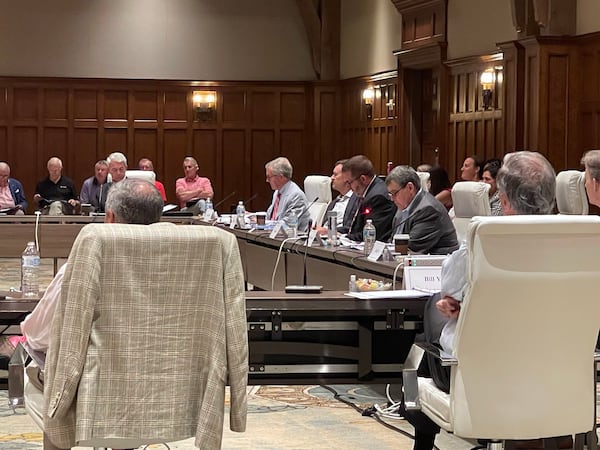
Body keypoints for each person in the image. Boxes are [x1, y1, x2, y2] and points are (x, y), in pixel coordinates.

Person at [404, 151, 557, 450]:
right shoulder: (585, 237)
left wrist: (466, 306)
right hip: (558, 369)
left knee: (430, 316)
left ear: (504, 197)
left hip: (479, 372)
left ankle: (419, 431)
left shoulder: (484, 235)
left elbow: (449, 283)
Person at [386, 165, 458, 255]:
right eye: (390, 194)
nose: (392, 199)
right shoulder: (403, 206)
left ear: (410, 188)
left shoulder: (428, 209)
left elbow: (410, 247)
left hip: (435, 265)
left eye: (394, 193)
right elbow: (393, 241)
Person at [342, 155, 396, 242]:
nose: (349, 187)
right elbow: (355, 228)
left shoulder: (378, 197)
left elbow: (371, 234)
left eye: (349, 182)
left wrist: (343, 238)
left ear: (363, 179)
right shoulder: (366, 192)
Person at [314, 159, 360, 235]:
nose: (331, 178)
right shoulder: (334, 202)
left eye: (335, 174)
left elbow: (351, 228)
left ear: (347, 177)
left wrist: (328, 231)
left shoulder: (357, 200)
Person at [265, 156, 309, 232]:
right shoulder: (277, 193)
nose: (267, 180)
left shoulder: (296, 196)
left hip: (291, 240)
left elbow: (287, 225)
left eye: (269, 177)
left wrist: (263, 223)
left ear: (280, 177)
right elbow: (270, 217)